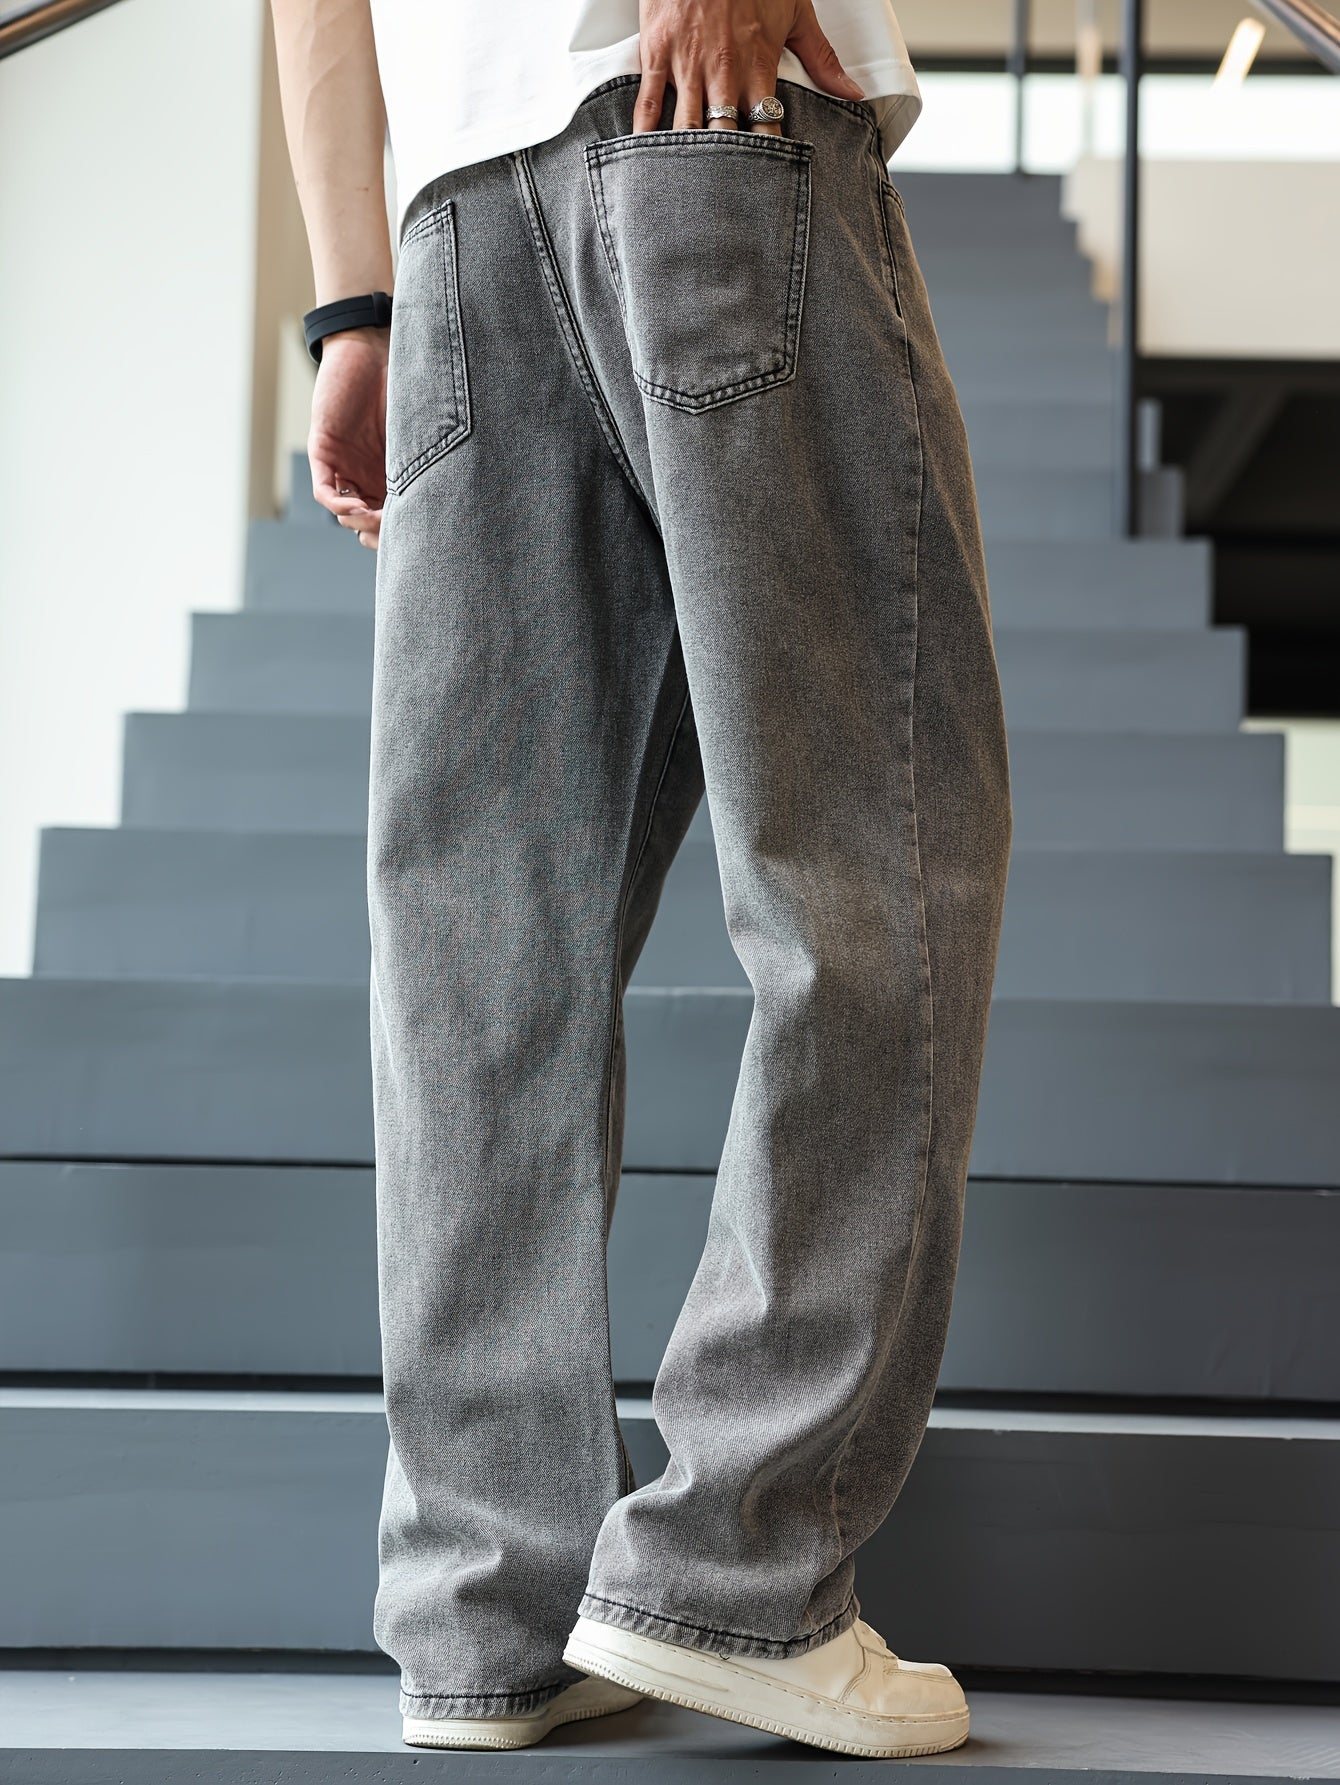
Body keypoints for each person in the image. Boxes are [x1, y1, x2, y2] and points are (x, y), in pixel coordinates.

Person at [270, 0, 1012, 1758]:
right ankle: (737, 1565)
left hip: (456, 224)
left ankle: (488, 1605)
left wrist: (355, 298)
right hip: (704, 111)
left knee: (483, 956)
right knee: (871, 855)